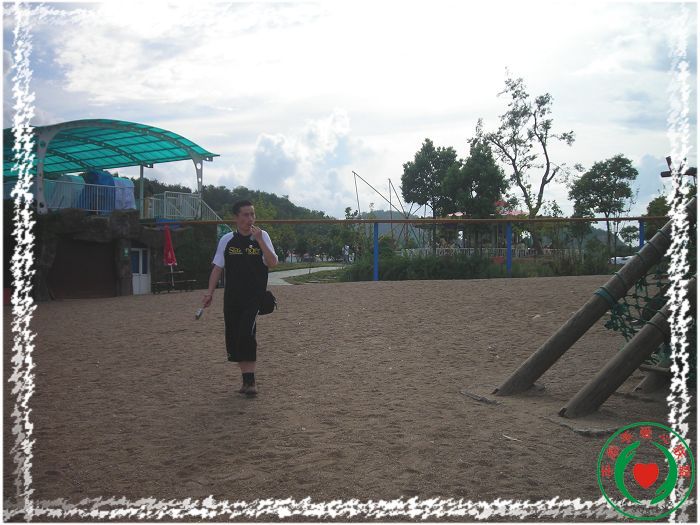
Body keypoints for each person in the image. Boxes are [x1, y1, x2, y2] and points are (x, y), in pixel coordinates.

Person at [202, 200, 278, 396]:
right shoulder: (227, 240)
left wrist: (260, 241)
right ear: (236, 217)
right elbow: (217, 268)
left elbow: (273, 262)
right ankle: (245, 381)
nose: (250, 219)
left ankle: (251, 383)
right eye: (245, 215)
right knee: (235, 336)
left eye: (252, 214)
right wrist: (209, 292)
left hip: (254, 296)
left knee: (246, 333)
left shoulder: (262, 236)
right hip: (232, 297)